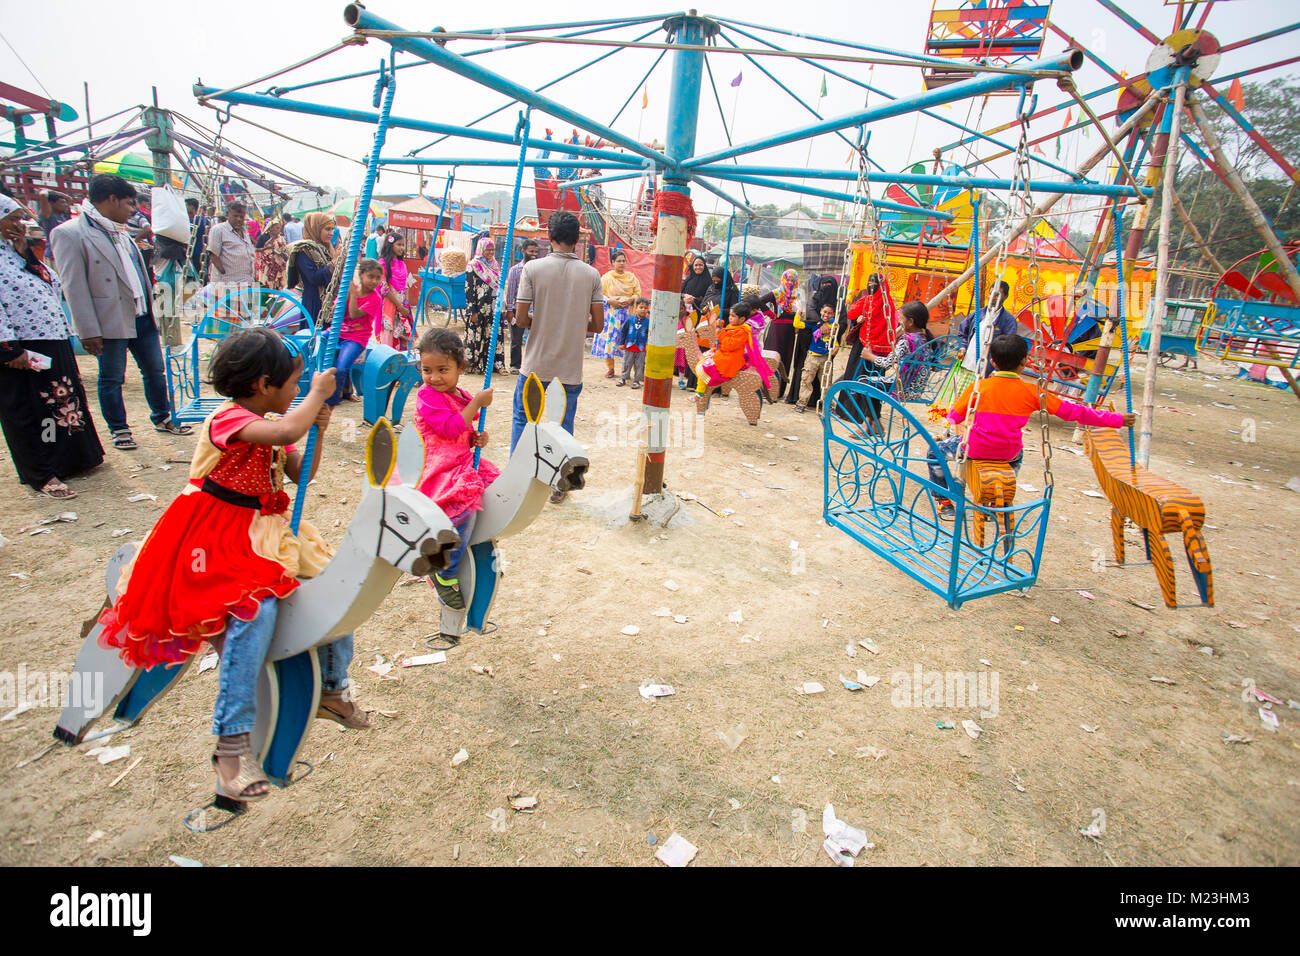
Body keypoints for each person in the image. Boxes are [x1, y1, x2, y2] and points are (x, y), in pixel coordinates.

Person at [97, 326, 368, 805]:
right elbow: (286, 430)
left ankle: (332, 686)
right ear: (264, 384)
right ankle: (232, 745)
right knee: (253, 613)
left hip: (263, 529)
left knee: (332, 588)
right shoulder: (228, 418)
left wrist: (320, 429)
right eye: (292, 384)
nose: (296, 393)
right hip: (213, 535)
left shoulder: (271, 421)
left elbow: (301, 470)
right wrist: (318, 397)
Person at [51, 173, 192, 449]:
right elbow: (74, 287)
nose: (133, 210)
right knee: (112, 378)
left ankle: (162, 417)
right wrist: (87, 330)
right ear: (111, 199)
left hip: (141, 317)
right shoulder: (70, 233)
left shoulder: (122, 233)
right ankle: (119, 429)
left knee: (155, 371)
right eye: (129, 203)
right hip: (108, 322)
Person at [928, 333, 1134, 519]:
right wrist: (1117, 419)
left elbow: (954, 418)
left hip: (974, 449)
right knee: (1018, 453)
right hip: (1009, 455)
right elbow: (1075, 412)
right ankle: (994, 502)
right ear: (1024, 362)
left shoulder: (978, 388)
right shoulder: (1032, 392)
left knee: (933, 453)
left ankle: (943, 500)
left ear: (991, 361)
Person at [0, 195, 104, 498]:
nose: (19, 225)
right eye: (12, 218)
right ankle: (41, 472)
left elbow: (52, 284)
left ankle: (70, 460)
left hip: (50, 337)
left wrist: (27, 255)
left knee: (59, 402)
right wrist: (9, 349)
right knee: (26, 410)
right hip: (19, 345)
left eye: (21, 218)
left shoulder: (15, 254)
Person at [411, 327, 501, 635]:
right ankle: (444, 571)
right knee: (462, 509)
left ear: (460, 369)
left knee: (494, 492)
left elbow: (462, 430)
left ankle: (477, 542)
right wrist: (476, 405)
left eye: (442, 370)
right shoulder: (427, 396)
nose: (433, 377)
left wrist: (477, 437)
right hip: (439, 463)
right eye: (427, 370)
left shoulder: (455, 395)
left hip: (460, 459)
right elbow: (450, 429)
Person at [513, 211, 604, 501]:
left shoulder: (533, 269)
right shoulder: (591, 274)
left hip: (536, 365)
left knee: (524, 419)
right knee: (562, 426)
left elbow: (521, 319)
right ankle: (559, 483)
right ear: (578, 240)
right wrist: (576, 325)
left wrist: (541, 319)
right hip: (569, 368)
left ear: (548, 237)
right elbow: (598, 325)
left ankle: (520, 475)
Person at [329, 258, 383, 406]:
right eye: (370, 276)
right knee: (317, 341)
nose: (374, 281)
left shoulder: (375, 299)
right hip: (339, 333)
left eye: (378, 278)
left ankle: (333, 400)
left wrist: (352, 295)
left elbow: (354, 314)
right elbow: (335, 311)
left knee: (340, 368)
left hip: (356, 338)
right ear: (361, 275)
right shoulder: (351, 289)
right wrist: (344, 295)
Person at [593, 249, 640, 378]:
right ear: (612, 262)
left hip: (628, 314)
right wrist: (610, 300)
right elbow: (598, 294)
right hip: (611, 315)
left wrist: (631, 299)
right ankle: (611, 368)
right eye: (618, 261)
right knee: (611, 340)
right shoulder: (607, 278)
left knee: (628, 341)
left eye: (623, 261)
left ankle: (628, 370)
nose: (622, 263)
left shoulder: (631, 277)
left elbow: (637, 293)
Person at [956, 280, 1018, 377]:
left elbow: (1008, 348)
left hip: (987, 372)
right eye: (991, 293)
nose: (993, 297)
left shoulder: (1008, 321)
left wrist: (996, 370)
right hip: (967, 365)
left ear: (1005, 297)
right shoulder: (977, 314)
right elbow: (962, 331)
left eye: (997, 295)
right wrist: (963, 346)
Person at [757, 268, 802, 401]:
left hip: (790, 332)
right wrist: (770, 314)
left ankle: (779, 392)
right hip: (776, 329)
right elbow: (760, 301)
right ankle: (766, 389)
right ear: (783, 279)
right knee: (771, 358)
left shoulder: (797, 295)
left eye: (792, 280)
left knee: (785, 360)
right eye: (787, 279)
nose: (789, 282)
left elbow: (799, 313)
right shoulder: (776, 293)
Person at [285, 212, 337, 327]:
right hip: (314, 302)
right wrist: (334, 263)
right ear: (316, 229)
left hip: (328, 302)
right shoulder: (304, 251)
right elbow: (314, 278)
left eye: (332, 229)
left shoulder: (326, 248)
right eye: (327, 229)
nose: (331, 233)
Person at [464, 237, 503, 373]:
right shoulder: (473, 266)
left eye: (492, 249)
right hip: (478, 308)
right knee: (477, 336)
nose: (490, 252)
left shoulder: (495, 266)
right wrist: (472, 311)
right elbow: (469, 289)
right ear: (481, 250)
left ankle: (493, 365)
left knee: (492, 336)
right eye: (488, 249)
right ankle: (475, 365)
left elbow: (499, 287)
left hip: (493, 307)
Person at [793, 303, 839, 413]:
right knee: (806, 380)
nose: (826, 315)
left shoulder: (834, 325)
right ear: (820, 312)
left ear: (833, 315)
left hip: (825, 357)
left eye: (829, 313)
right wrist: (799, 312)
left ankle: (828, 405)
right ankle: (802, 403)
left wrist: (836, 347)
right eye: (825, 312)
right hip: (812, 357)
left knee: (826, 382)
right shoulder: (814, 324)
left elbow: (835, 338)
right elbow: (797, 324)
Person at [504, 238, 540, 373]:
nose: (534, 254)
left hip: (535, 310)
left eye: (536, 251)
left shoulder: (539, 269)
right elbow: (511, 291)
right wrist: (509, 310)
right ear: (523, 251)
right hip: (518, 309)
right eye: (531, 251)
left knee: (535, 340)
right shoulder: (515, 270)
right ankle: (515, 365)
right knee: (516, 339)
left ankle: (532, 365)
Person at [376, 232, 414, 350]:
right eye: (399, 244)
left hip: (402, 307)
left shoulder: (402, 264)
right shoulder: (382, 264)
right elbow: (384, 289)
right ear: (390, 245)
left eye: (403, 245)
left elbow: (406, 285)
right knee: (389, 339)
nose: (402, 248)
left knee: (404, 340)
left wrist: (406, 304)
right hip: (389, 307)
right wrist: (399, 306)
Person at [207, 200, 255, 287]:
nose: (239, 219)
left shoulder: (244, 232)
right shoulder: (219, 230)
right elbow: (213, 255)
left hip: (246, 283)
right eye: (235, 216)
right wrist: (224, 274)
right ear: (228, 214)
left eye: (241, 216)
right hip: (228, 285)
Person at [615, 297, 650, 388]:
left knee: (640, 365)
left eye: (645, 308)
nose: (643, 310)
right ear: (636, 308)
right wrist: (622, 343)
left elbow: (649, 335)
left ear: (648, 310)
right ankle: (623, 378)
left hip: (641, 348)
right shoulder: (630, 319)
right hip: (629, 347)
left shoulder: (649, 322)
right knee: (627, 363)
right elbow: (623, 331)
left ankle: (637, 381)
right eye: (641, 307)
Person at [253, 218, 289, 290]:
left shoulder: (281, 238)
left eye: (279, 228)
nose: (279, 230)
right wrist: (265, 249)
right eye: (277, 228)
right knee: (271, 282)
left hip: (280, 264)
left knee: (281, 282)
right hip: (269, 264)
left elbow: (285, 249)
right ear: (270, 229)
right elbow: (256, 249)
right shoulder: (264, 237)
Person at [185, 197, 209, 280]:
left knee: (199, 276)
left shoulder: (194, 221)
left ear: (192, 207)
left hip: (196, 254)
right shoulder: (204, 220)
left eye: (186, 205)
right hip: (203, 252)